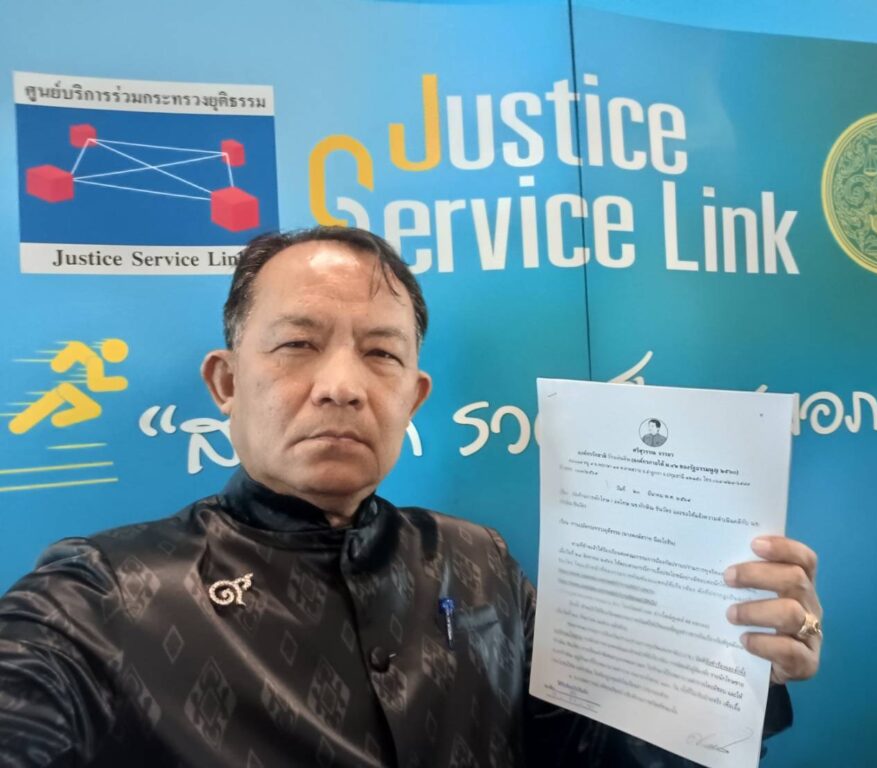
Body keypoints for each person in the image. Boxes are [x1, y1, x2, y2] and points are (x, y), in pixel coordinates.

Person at [0, 227, 823, 767]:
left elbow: (597, 756)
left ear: (414, 396)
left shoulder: (480, 563)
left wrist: (731, 664)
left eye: (381, 355)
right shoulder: (101, 598)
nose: (342, 385)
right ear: (226, 382)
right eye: (297, 344)